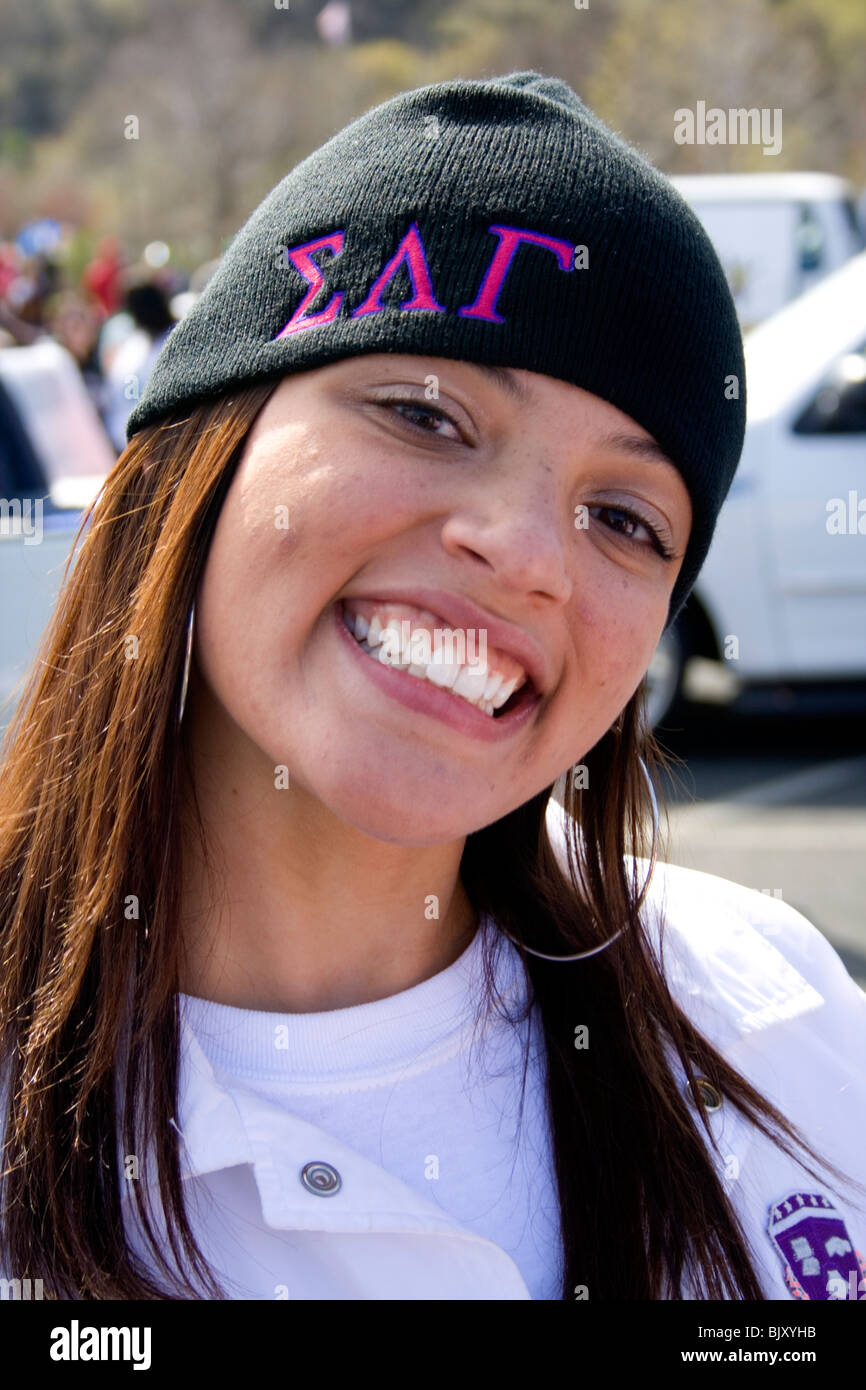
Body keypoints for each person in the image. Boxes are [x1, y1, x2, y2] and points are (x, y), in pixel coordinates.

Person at [0, 71, 864, 1303]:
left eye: (621, 516)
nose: (522, 553)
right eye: (424, 413)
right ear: (205, 451)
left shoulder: (775, 1015)